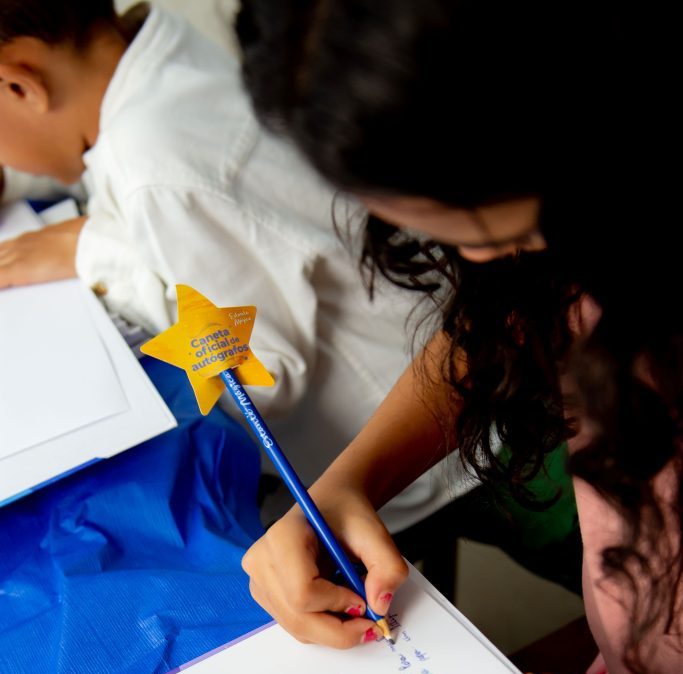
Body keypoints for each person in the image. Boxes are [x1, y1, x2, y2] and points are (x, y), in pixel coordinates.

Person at [236, 0, 683, 674]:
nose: (479, 261)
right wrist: (348, 482)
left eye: (514, 232)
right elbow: (510, 320)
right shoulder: (579, 251)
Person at [0, 0, 481, 535]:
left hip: (435, 461)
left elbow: (262, 375)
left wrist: (96, 251)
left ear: (19, 86)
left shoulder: (158, 167)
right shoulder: (156, 53)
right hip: (449, 389)